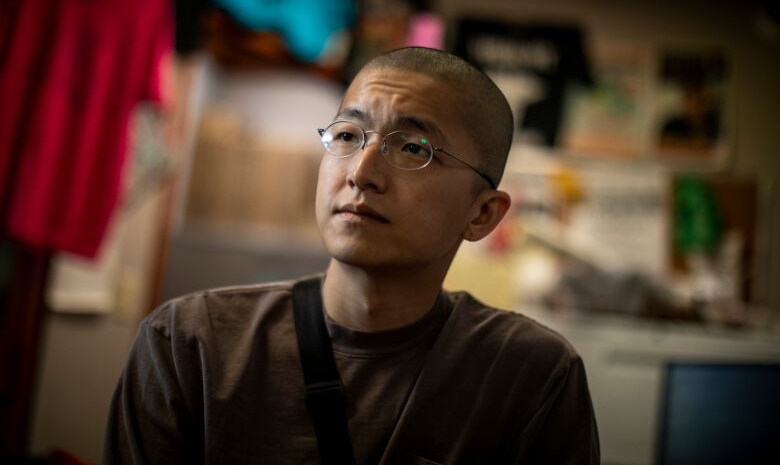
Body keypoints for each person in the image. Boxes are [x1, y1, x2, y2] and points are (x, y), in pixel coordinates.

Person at [104, 47, 600, 464]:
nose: (361, 172)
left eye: (412, 148)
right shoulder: (190, 345)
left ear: (483, 214)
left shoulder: (528, 376)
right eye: (346, 135)